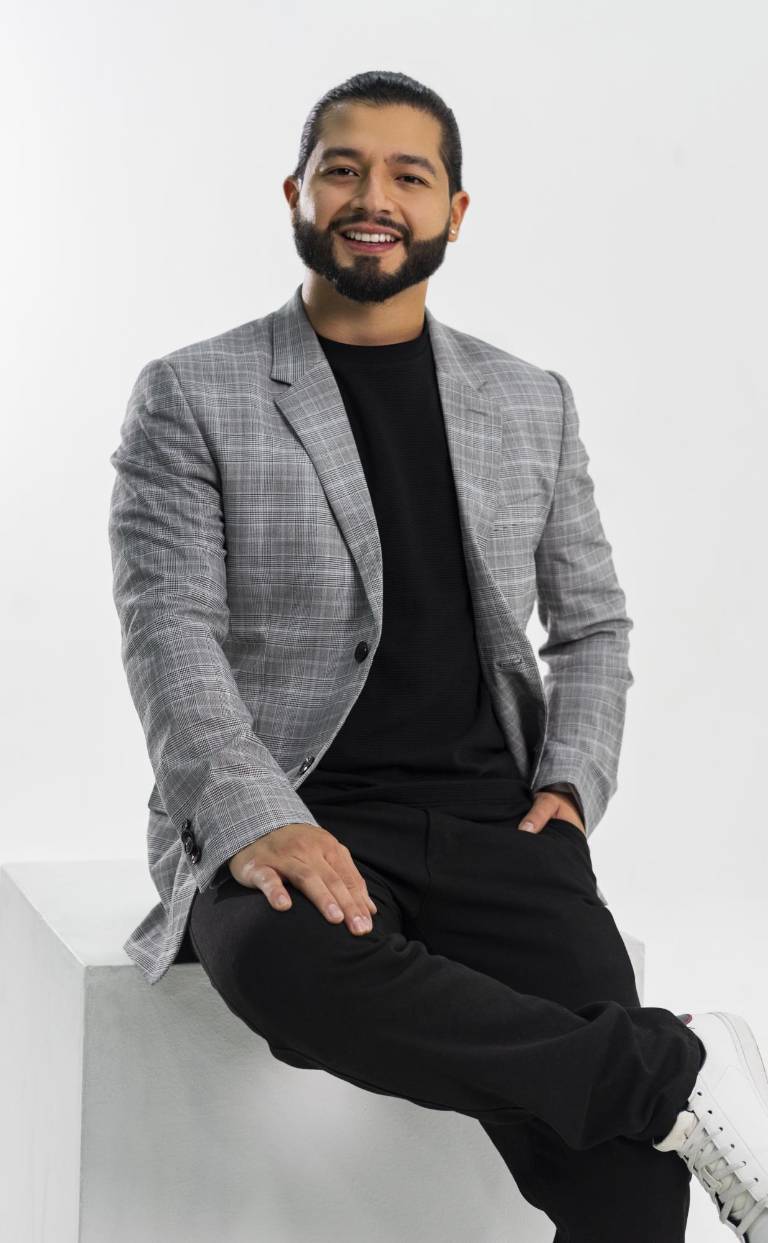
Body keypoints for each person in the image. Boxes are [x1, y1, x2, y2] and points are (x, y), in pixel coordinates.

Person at [108, 69, 768, 1241]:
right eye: (343, 169)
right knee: (289, 974)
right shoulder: (193, 394)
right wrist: (256, 818)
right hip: (299, 804)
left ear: (454, 211)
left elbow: (594, 624)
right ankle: (673, 1068)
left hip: (495, 824)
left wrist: (570, 785)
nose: (375, 198)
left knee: (622, 1179)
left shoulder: (529, 399)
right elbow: (171, 632)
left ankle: (652, 1087)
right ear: (296, 194)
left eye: (409, 176)